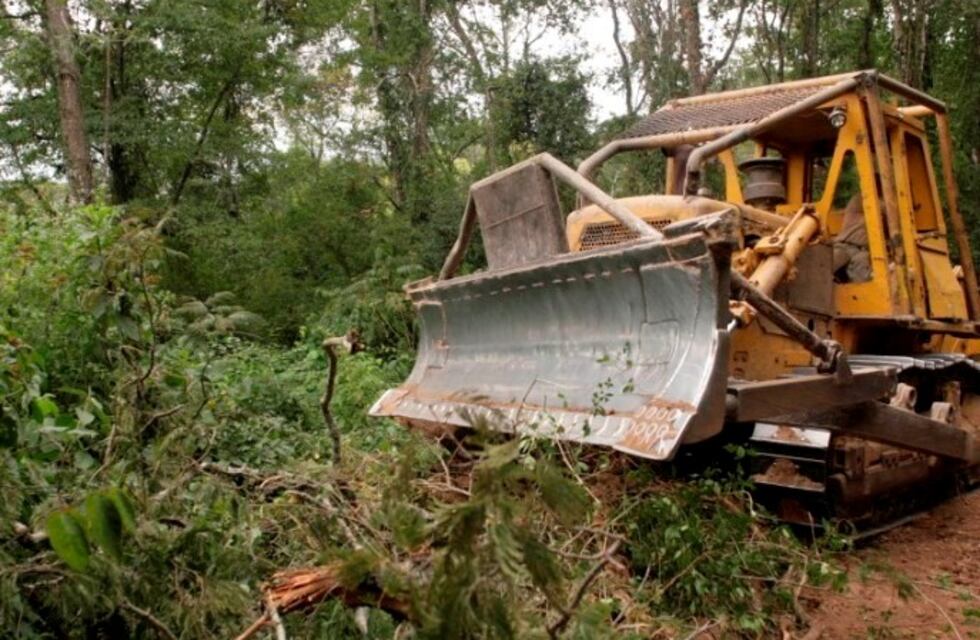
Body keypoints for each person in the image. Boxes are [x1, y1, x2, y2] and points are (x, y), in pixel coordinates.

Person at [832, 193, 872, 282]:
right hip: (844, 245)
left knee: (863, 274)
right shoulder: (862, 198)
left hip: (861, 251)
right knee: (825, 267)